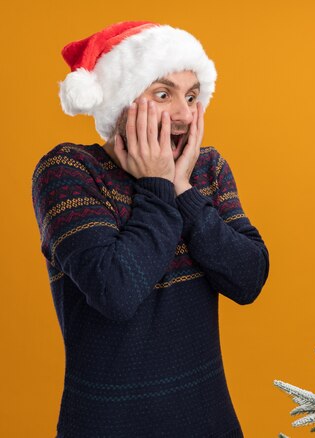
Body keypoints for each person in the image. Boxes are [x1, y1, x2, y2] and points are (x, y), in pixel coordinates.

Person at [31, 21, 270, 437]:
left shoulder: (206, 170)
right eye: (163, 94)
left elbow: (248, 278)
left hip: (211, 423)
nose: (184, 113)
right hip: (109, 426)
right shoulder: (67, 171)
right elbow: (117, 292)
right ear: (123, 101)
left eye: (193, 96)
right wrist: (159, 187)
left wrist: (181, 188)